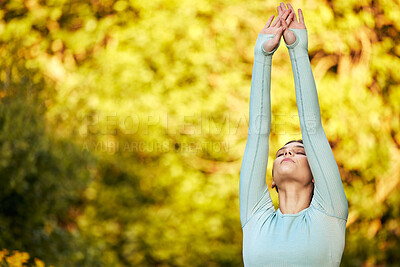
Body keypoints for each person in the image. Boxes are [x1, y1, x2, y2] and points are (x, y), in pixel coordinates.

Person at [239, 3, 349, 266]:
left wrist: (298, 51)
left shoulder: (330, 211)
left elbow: (312, 129)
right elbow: (257, 133)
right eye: (281, 153)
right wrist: (262, 55)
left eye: (300, 153)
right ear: (272, 181)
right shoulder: (255, 216)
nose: (287, 153)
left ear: (316, 176)